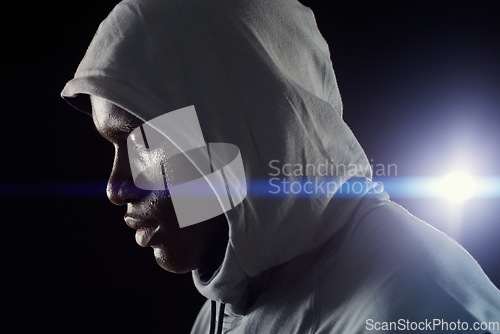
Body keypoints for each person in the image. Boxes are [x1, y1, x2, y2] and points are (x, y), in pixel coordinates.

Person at [61, 0, 500, 333]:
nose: (116, 188)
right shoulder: (225, 306)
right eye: (112, 146)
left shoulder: (426, 309)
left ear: (237, 125)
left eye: (142, 141)